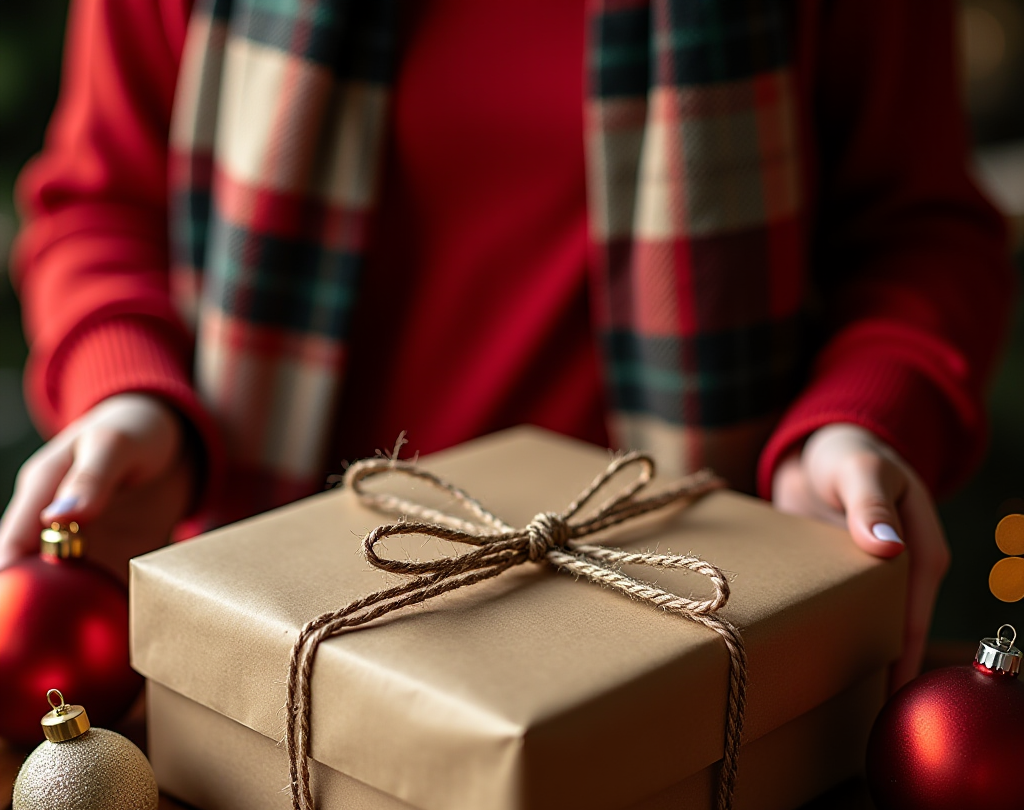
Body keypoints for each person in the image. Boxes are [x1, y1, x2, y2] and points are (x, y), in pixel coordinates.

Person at [0, 0, 1014, 690]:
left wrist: (853, 419)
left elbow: (920, 234)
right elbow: (98, 200)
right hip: (255, 643)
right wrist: (132, 398)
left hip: (695, 648)